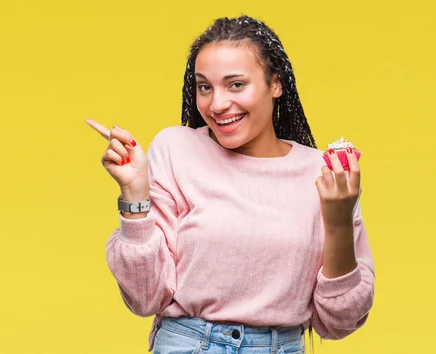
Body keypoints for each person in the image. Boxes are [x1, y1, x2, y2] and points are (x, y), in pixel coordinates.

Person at [86, 15, 374, 354]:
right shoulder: (176, 150)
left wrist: (339, 219)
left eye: (236, 84)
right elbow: (145, 297)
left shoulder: (322, 173)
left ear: (275, 84)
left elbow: (340, 321)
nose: (217, 104)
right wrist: (134, 195)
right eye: (204, 86)